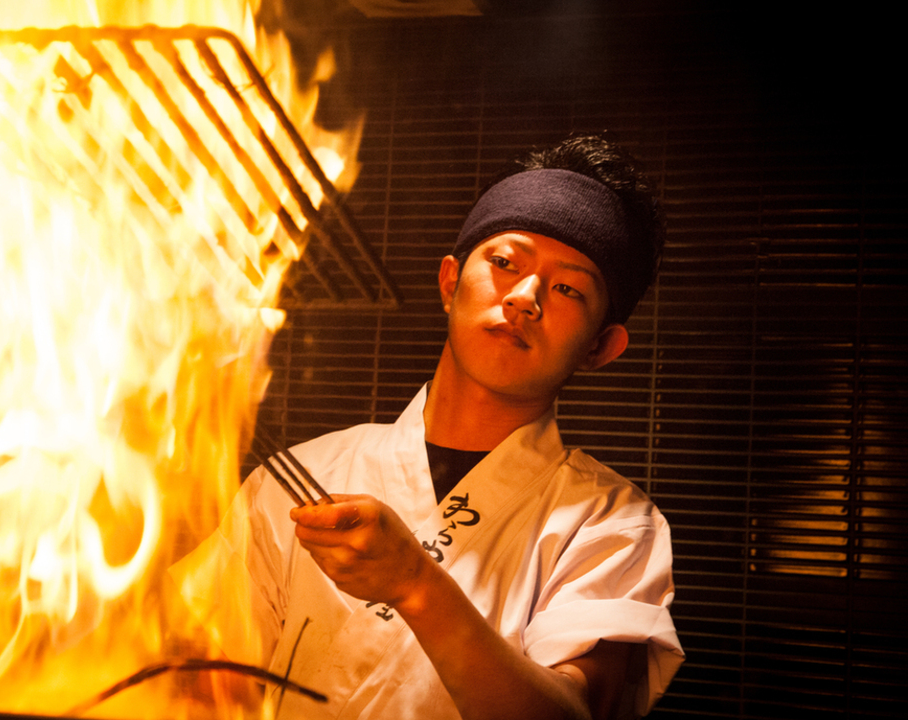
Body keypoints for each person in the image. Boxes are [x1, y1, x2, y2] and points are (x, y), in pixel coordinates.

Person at [172, 135, 684, 720]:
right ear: (449, 282)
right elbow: (194, 677)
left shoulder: (611, 523)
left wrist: (417, 583)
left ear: (600, 346)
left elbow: (573, 713)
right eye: (504, 262)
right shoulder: (302, 476)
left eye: (567, 288)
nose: (524, 297)